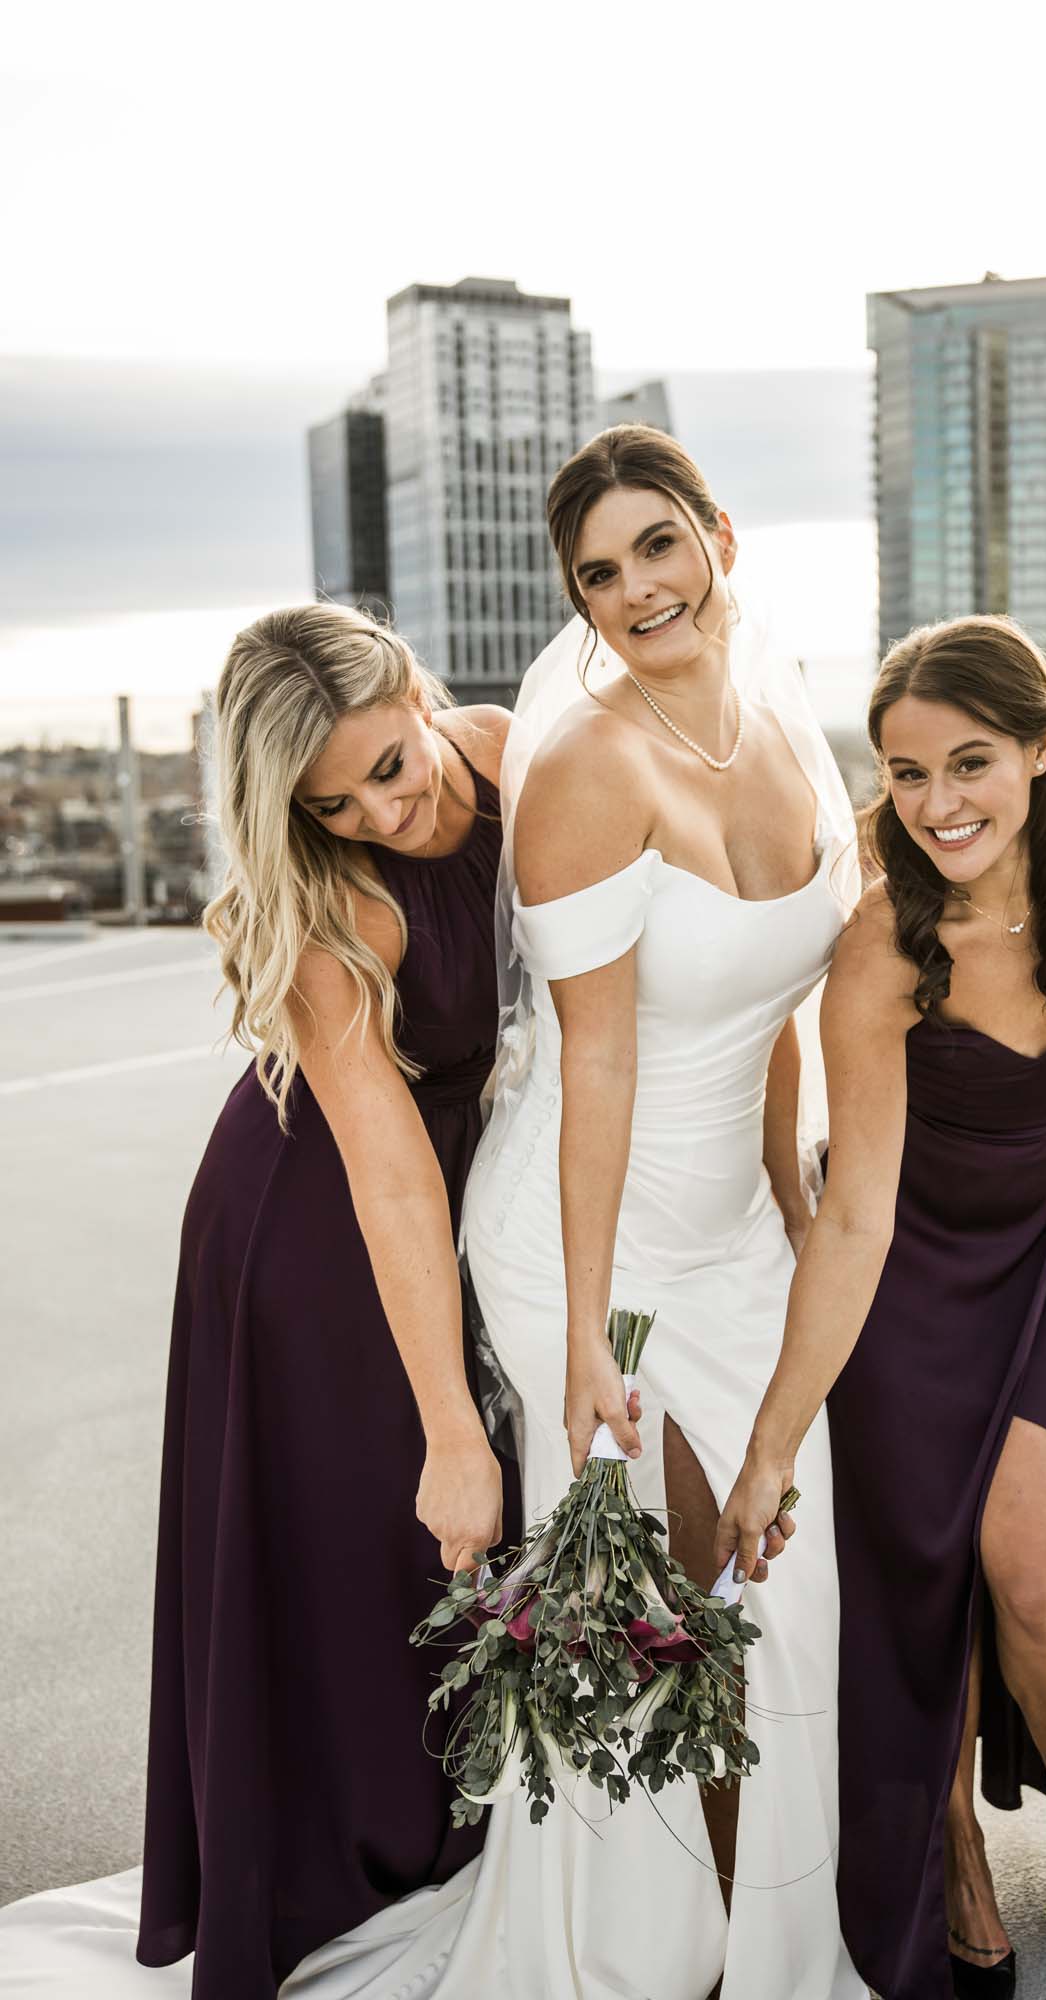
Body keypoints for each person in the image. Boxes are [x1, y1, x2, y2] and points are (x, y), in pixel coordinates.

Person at [716, 615, 1046, 1999]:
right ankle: (946, 1856)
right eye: (903, 773)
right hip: (906, 1283)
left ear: (1042, 751)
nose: (937, 803)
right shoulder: (881, 945)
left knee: (1028, 1579)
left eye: (969, 762)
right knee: (916, 1591)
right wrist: (773, 1441)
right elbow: (860, 1211)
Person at [451, 426, 868, 1999]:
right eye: (599, 574)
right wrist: (576, 1350)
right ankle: (631, 1957)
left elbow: (770, 1015)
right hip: (594, 1246)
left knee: (780, 1577)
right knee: (649, 1590)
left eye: (656, 547)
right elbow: (598, 1064)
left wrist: (789, 1191)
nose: (635, 590)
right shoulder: (582, 768)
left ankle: (768, 1937)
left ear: (720, 541)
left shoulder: (783, 720)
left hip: (737, 1235)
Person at [127, 604, 517, 1998]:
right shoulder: (333, 901)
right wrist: (452, 1426)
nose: (379, 814)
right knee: (385, 1533)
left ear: (422, 692)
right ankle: (335, 1854)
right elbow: (391, 1174)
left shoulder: (514, 756)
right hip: (317, 1231)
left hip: (460, 1200)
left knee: (432, 1550)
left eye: (390, 769)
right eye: (331, 800)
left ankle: (458, 1826)